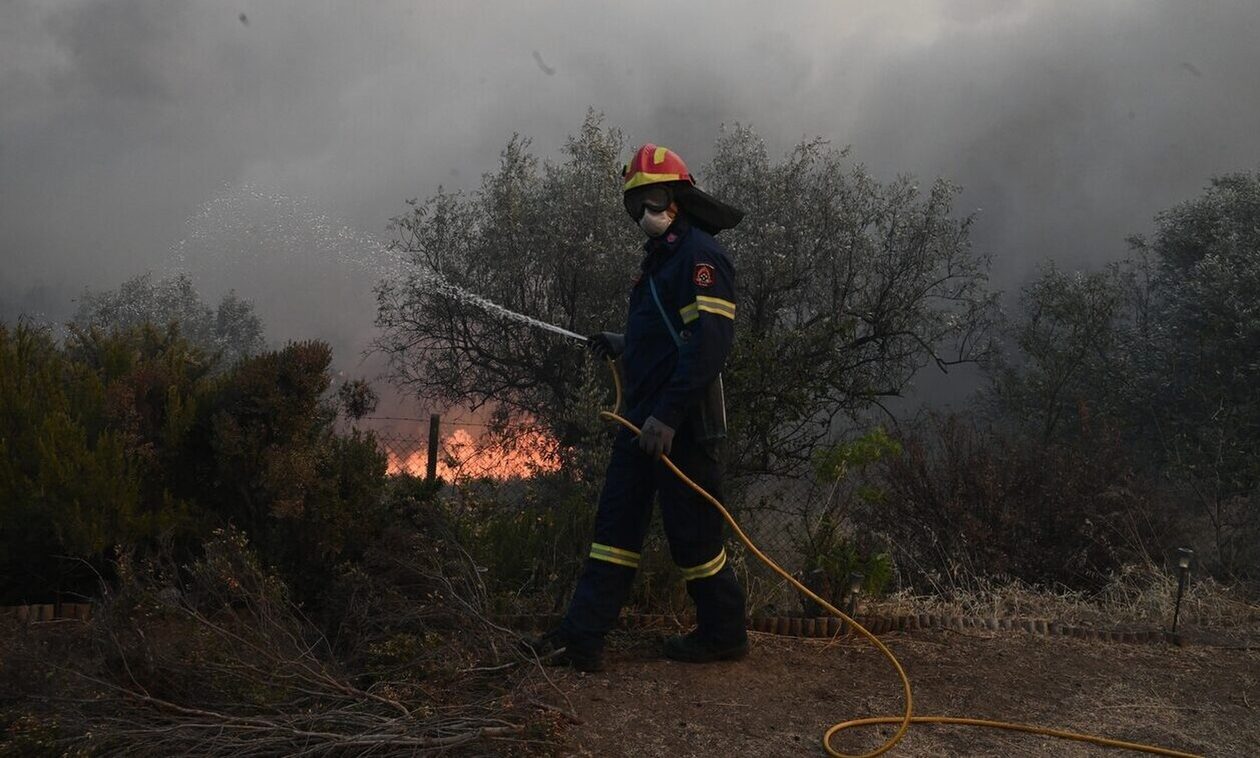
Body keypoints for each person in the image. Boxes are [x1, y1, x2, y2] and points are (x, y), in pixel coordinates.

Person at [529, 144, 747, 671]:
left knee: (694, 536)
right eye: (636, 203)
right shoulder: (661, 260)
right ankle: (581, 639)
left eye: (651, 198)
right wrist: (625, 341)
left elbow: (708, 346)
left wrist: (668, 416)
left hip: (682, 426)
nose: (643, 212)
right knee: (614, 530)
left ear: (675, 197)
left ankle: (723, 633)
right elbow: (664, 336)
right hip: (639, 421)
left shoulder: (700, 256)